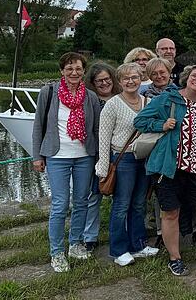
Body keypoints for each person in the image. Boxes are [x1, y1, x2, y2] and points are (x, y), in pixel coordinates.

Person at [133, 65, 196, 276]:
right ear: (186, 78)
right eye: (194, 76)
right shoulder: (168, 99)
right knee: (170, 213)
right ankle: (174, 258)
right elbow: (139, 121)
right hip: (170, 167)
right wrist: (162, 125)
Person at [32, 52, 101, 273]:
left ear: (83, 71)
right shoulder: (49, 92)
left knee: (82, 202)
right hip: (56, 156)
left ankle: (75, 244)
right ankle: (57, 252)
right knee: (60, 205)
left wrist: (100, 157)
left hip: (84, 155)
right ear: (62, 70)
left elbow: (97, 129)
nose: (74, 72)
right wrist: (37, 156)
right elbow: (38, 126)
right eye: (69, 68)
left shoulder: (90, 97)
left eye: (78, 68)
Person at [95, 63, 159, 266]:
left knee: (139, 204)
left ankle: (138, 244)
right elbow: (103, 137)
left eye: (134, 77)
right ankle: (118, 250)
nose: (131, 81)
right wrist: (103, 165)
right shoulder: (113, 104)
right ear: (119, 81)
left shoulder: (148, 101)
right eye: (126, 78)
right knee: (121, 205)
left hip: (144, 158)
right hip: (123, 159)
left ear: (141, 79)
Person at [82, 61, 121, 252]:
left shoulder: (122, 98)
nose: (105, 83)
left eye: (107, 79)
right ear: (93, 83)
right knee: (94, 195)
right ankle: (90, 236)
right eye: (99, 81)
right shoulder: (89, 100)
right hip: (95, 153)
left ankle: (122, 234)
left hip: (120, 154)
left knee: (121, 197)